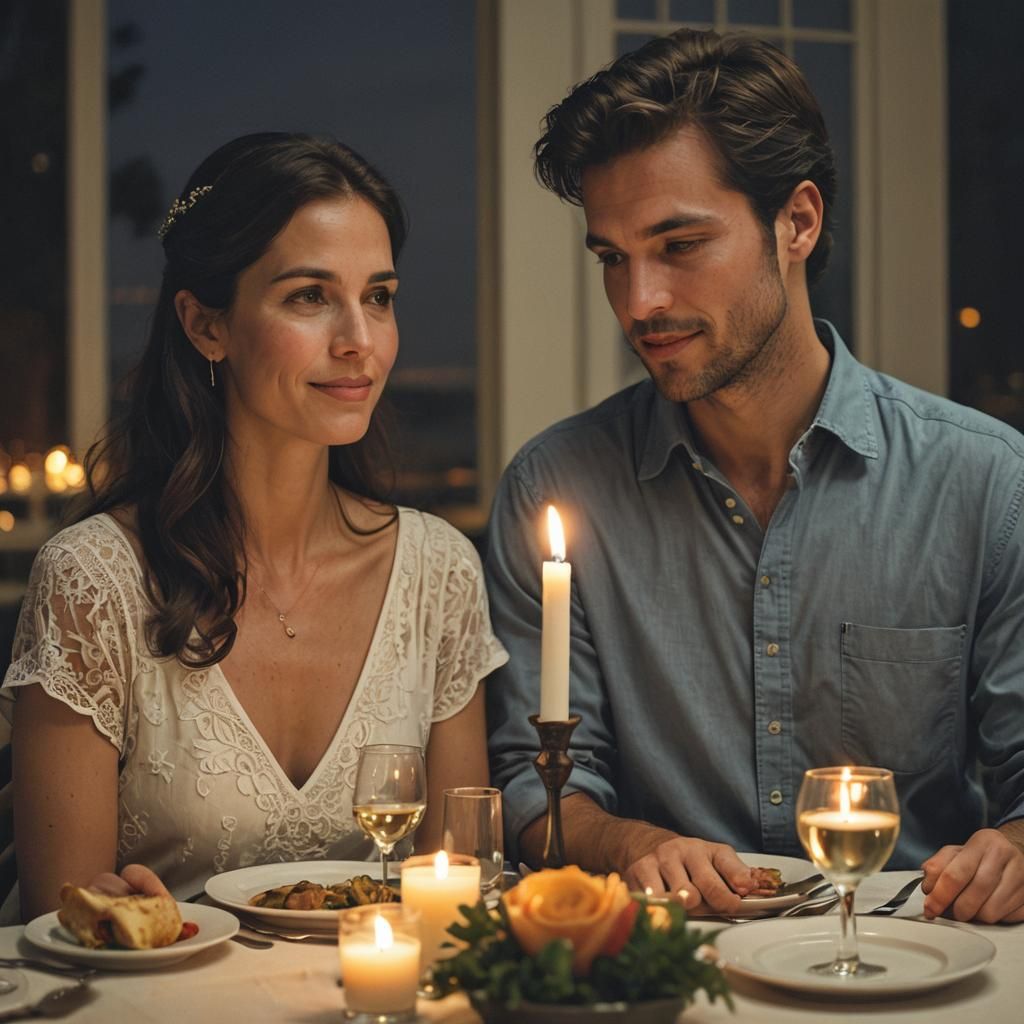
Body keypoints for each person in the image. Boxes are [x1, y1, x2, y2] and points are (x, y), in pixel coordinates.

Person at [485, 29, 1024, 924]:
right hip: (670, 959)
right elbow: (534, 787)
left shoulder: (986, 483)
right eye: (612, 258)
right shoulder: (556, 487)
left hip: (913, 958)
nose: (639, 301)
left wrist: (1013, 852)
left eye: (679, 244)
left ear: (798, 222)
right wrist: (630, 843)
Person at [2, 133, 507, 922]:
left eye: (378, 296)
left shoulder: (437, 573)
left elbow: (459, 895)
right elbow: (60, 926)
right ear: (206, 326)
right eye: (310, 296)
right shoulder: (94, 580)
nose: (360, 340)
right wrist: (116, 915)